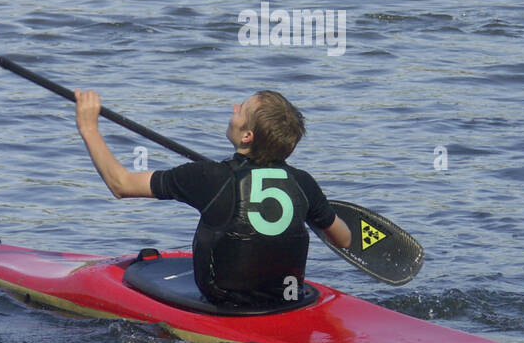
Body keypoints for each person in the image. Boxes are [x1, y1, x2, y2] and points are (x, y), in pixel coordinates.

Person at [74, 89, 352, 307]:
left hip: (223, 302)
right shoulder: (303, 182)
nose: (233, 109)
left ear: (247, 136)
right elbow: (344, 239)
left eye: (241, 110)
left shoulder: (208, 177)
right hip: (287, 299)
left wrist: (89, 128)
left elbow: (120, 184)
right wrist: (307, 210)